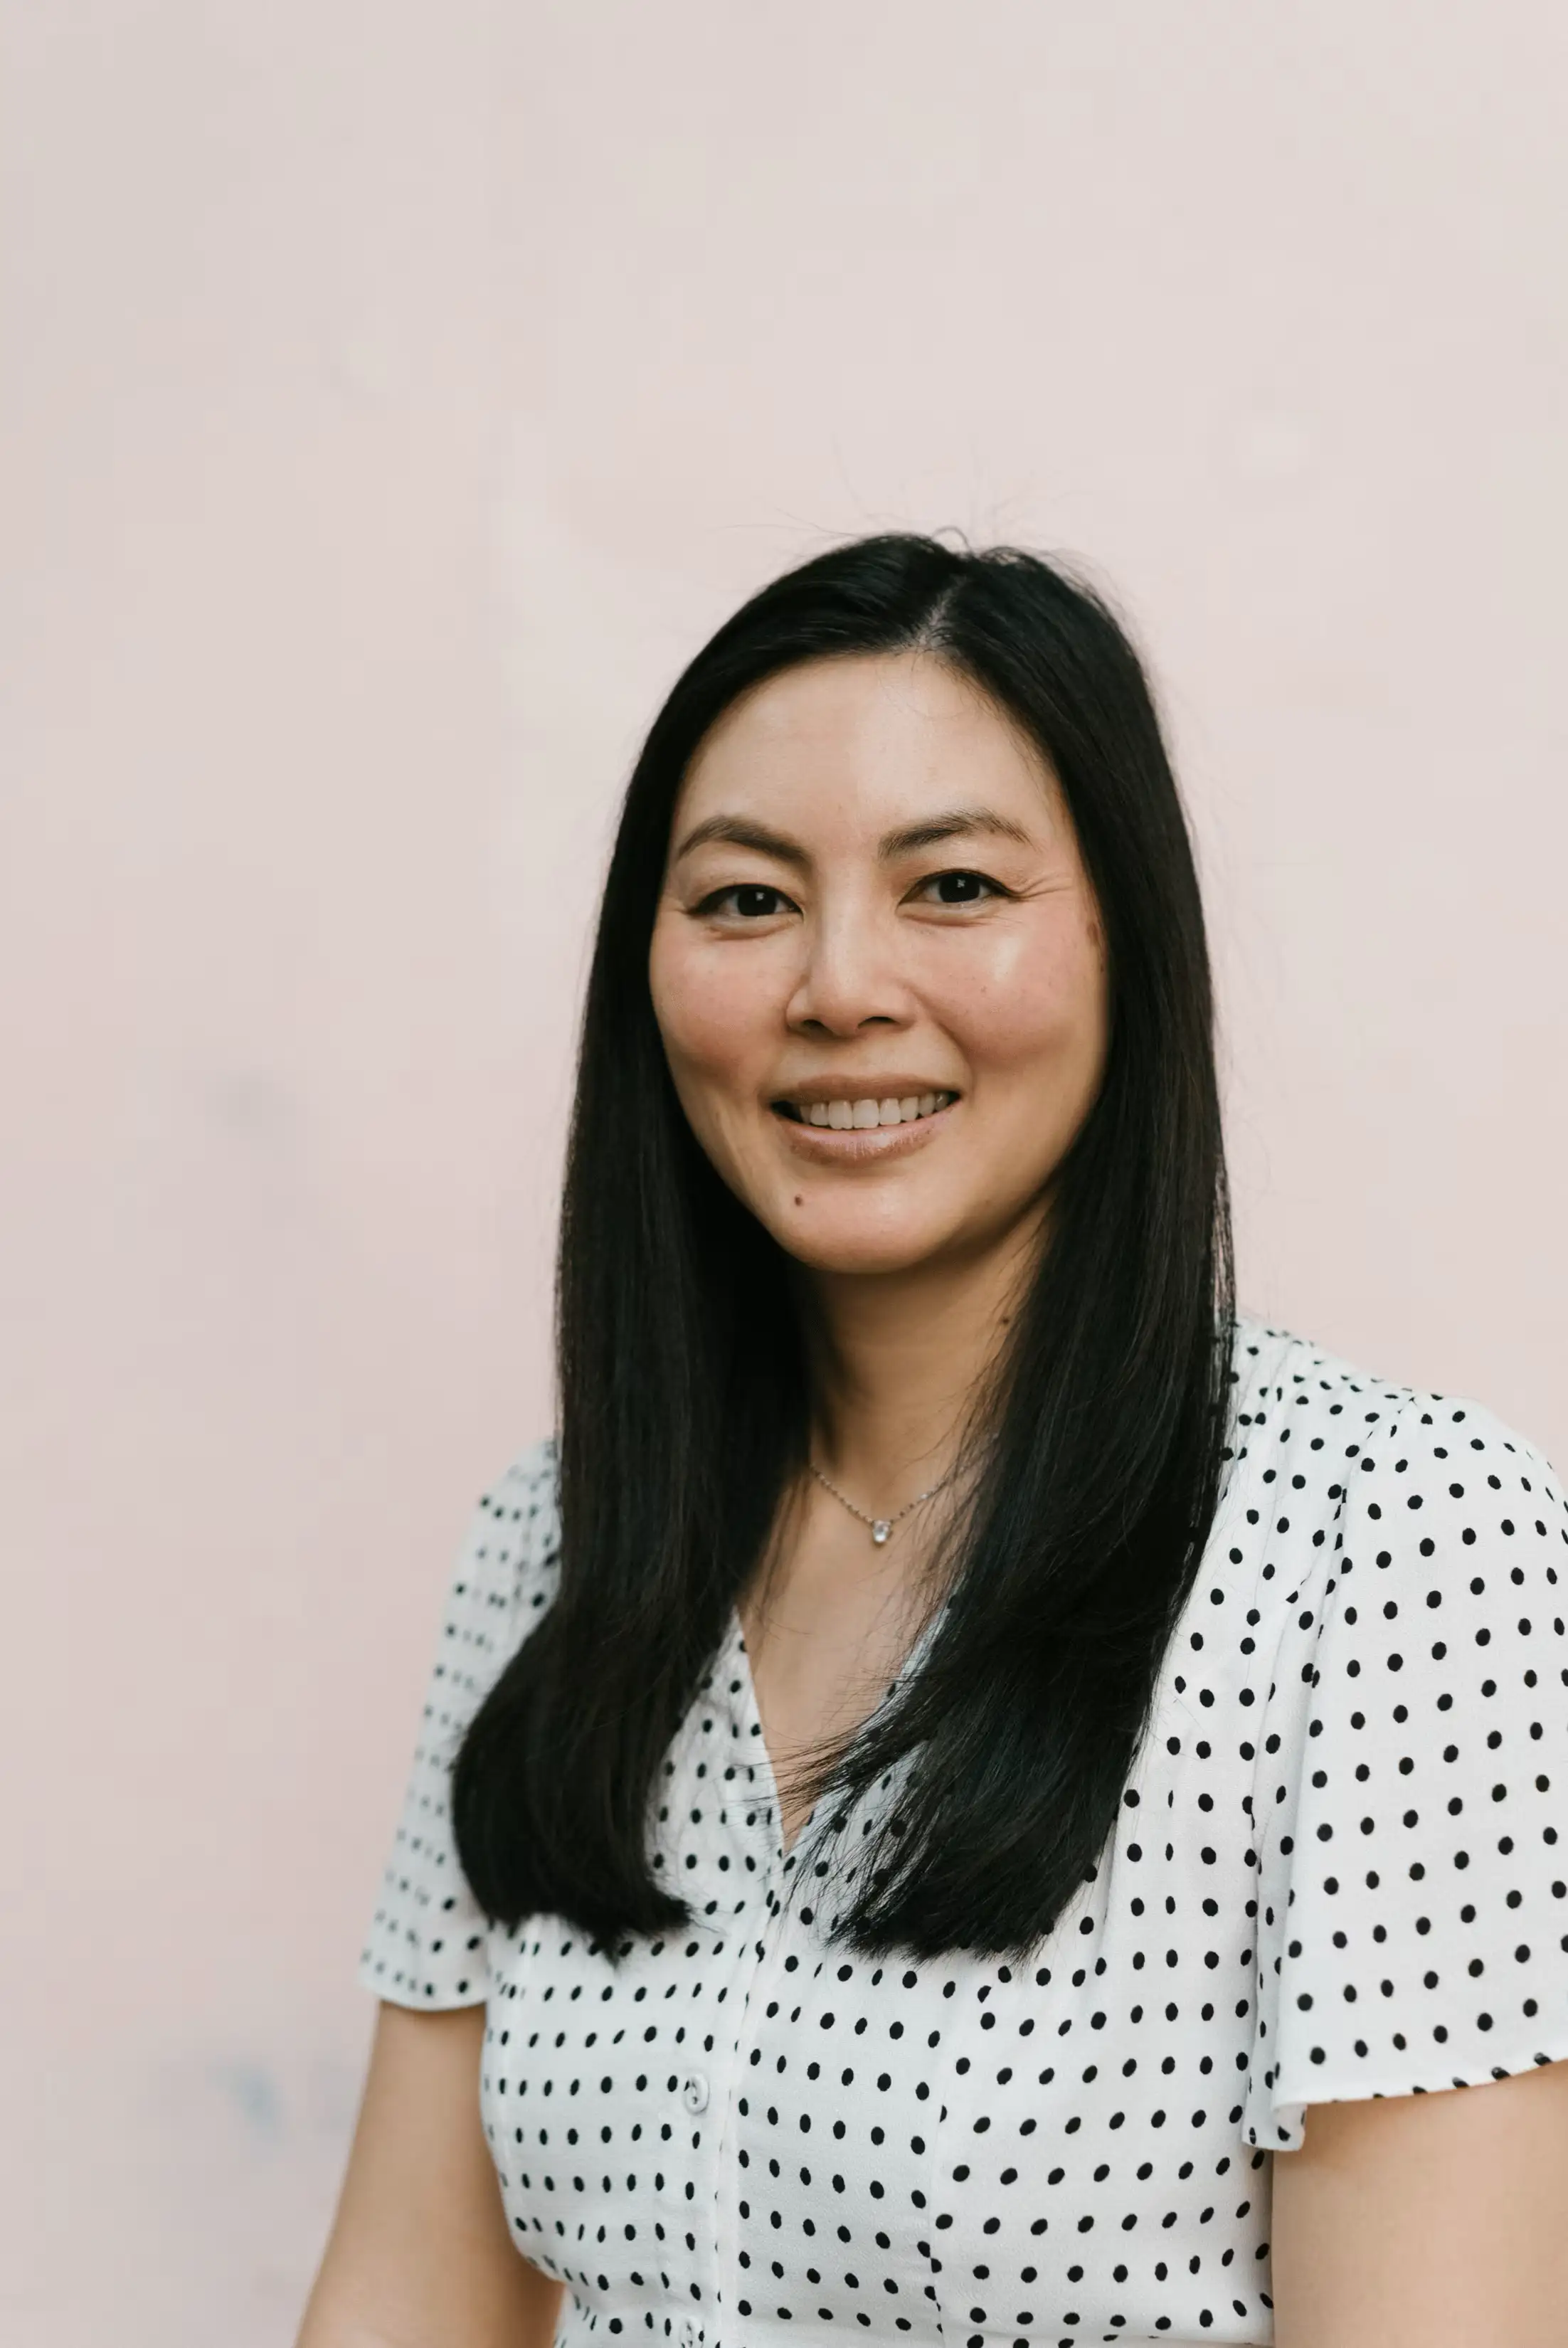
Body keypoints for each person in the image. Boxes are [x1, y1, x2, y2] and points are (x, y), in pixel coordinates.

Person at [297, 534, 1568, 2348]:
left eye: (954, 886)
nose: (838, 987)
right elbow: (403, 2300)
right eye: (745, 899)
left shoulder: (1394, 1547)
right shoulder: (556, 1543)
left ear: (1126, 944)